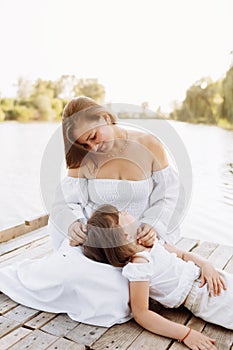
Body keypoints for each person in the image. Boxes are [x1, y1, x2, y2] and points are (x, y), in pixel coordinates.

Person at [83, 204, 233, 350]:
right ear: (124, 235)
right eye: (121, 214)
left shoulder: (151, 242)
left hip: (212, 276)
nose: (125, 210)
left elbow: (183, 254)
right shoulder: (139, 265)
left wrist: (205, 264)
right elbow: (142, 314)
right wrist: (186, 334)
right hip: (206, 297)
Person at [49, 96, 183, 251]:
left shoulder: (150, 145)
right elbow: (65, 202)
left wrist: (153, 224)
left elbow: (169, 195)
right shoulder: (83, 158)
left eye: (93, 137)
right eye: (84, 144)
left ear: (105, 118)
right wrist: (73, 223)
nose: (92, 148)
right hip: (97, 240)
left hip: (138, 239)